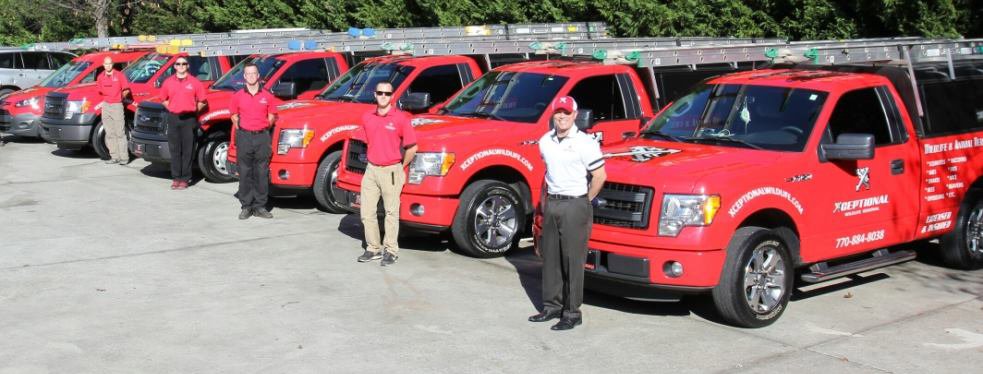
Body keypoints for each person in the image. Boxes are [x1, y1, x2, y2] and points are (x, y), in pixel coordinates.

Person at [529, 96, 606, 331]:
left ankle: (572, 312)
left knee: (572, 260)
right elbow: (549, 171)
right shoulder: (545, 141)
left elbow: (600, 176)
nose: (561, 116)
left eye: (566, 112)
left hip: (575, 203)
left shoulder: (585, 143)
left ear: (575, 115)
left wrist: (585, 200)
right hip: (553, 202)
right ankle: (552, 306)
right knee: (550, 257)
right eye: (558, 112)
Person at [355, 81, 417, 267]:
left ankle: (391, 251)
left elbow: (412, 147)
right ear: (375, 94)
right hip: (371, 170)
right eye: (380, 92)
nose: (383, 96)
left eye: (387, 93)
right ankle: (373, 248)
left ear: (392, 96)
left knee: (391, 212)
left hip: (392, 170)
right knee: (366, 212)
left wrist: (400, 167)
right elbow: (366, 141)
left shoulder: (401, 118)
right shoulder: (367, 117)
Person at [229, 63, 278, 220]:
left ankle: (260, 206)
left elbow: (272, 115)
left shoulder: (267, 96)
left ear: (258, 76)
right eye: (248, 74)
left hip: (262, 137)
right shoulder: (237, 96)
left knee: (261, 172)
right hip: (244, 136)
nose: (251, 76)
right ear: (244, 77)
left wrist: (263, 127)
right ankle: (246, 206)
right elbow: (233, 115)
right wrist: (242, 128)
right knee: (244, 172)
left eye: (254, 73)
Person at [159, 56, 206, 190]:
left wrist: (193, 110)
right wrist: (171, 108)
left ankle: (185, 178)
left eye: (183, 63)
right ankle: (176, 178)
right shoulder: (168, 82)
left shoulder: (195, 82)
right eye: (178, 64)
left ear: (187, 66)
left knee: (187, 150)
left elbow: (203, 101)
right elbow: (163, 99)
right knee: (175, 150)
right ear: (174, 66)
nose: (181, 66)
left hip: (189, 119)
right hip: (174, 118)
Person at [95, 56, 130, 165]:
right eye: (106, 64)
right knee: (109, 133)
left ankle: (124, 158)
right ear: (103, 65)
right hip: (106, 106)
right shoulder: (100, 77)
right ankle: (114, 157)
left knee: (120, 132)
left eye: (109, 63)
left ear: (112, 64)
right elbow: (100, 91)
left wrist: (120, 98)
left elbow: (126, 89)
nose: (108, 66)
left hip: (117, 105)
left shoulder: (119, 75)